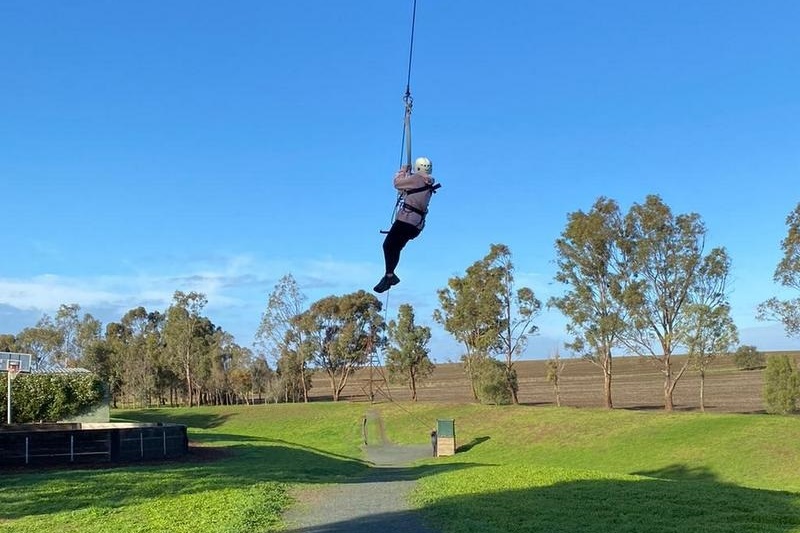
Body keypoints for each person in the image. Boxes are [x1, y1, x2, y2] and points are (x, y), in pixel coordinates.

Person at [373, 156, 438, 293]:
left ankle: (389, 275)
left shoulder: (416, 179)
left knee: (388, 246)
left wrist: (403, 171)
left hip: (406, 220)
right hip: (416, 225)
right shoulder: (428, 182)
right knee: (394, 248)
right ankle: (390, 275)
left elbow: (397, 183)